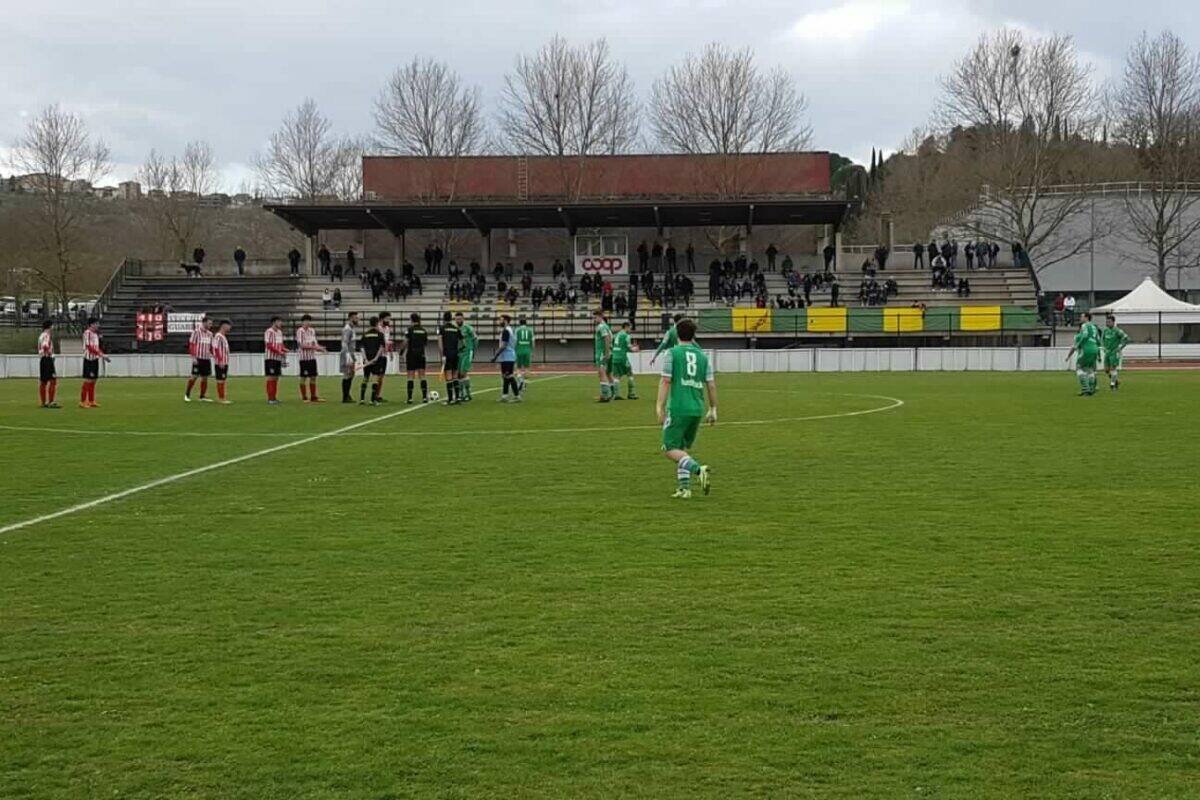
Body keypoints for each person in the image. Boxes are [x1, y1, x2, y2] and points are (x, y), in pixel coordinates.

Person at [656, 319, 715, 499]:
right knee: (681, 448)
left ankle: (699, 470)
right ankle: (684, 488)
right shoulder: (703, 356)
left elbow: (666, 380)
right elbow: (711, 384)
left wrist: (659, 406)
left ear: (676, 333)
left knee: (669, 448)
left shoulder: (672, 353)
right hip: (697, 408)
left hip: (679, 407)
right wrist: (713, 409)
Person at [1065, 313, 1102, 396]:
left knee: (1079, 368)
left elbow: (1085, 336)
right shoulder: (1094, 327)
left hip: (1086, 348)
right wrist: (1098, 352)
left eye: (1081, 316)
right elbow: (1098, 340)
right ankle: (1092, 389)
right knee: (1090, 369)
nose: (1080, 318)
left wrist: (1079, 344)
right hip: (1095, 348)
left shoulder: (1084, 326)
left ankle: (1085, 389)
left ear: (1086, 317)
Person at [295, 314, 327, 402]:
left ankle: (313, 397)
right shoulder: (300, 331)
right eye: (306, 321)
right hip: (304, 358)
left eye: (309, 321)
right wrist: (315, 348)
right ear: (303, 322)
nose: (308, 323)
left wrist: (321, 349)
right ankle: (304, 397)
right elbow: (301, 345)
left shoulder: (312, 331)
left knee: (313, 377)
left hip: (312, 357)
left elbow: (314, 343)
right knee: (303, 377)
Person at [80, 317, 110, 408]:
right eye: (97, 324)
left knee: (94, 380)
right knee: (88, 380)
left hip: (95, 359)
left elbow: (96, 347)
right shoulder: (87, 333)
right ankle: (82, 401)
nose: (98, 325)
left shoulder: (95, 335)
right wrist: (102, 355)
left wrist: (102, 355)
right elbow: (89, 347)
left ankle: (91, 400)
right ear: (92, 324)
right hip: (89, 359)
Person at [401, 312, 430, 404]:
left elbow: (405, 342)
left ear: (411, 320)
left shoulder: (409, 330)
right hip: (421, 354)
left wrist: (401, 352)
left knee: (410, 376)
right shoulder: (424, 330)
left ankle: (410, 398)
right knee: (422, 376)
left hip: (411, 354)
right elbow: (425, 343)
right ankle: (425, 397)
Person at [184, 314, 213, 402]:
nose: (211, 325)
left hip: (206, 358)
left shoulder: (210, 334)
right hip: (198, 358)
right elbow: (192, 345)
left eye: (211, 324)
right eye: (209, 323)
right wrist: (193, 357)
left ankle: (202, 396)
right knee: (194, 376)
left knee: (205, 377)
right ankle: (187, 394)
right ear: (204, 323)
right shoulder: (196, 332)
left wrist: (212, 354)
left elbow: (211, 346)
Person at [492, 314, 520, 402]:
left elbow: (504, 345)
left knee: (509, 376)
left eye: (501, 320)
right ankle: (504, 396)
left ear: (506, 321)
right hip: (506, 356)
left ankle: (517, 396)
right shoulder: (508, 330)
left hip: (508, 356)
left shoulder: (506, 331)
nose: (499, 322)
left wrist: (495, 355)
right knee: (505, 376)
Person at [358, 316, 386, 405]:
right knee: (375, 378)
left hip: (367, 359)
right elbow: (381, 348)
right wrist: (376, 358)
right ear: (377, 323)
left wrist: (365, 359)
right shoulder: (380, 334)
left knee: (365, 377)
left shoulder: (365, 334)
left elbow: (362, 348)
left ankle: (362, 399)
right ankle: (372, 400)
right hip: (376, 359)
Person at [438, 311, 462, 405]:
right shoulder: (456, 329)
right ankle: (458, 398)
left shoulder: (442, 328)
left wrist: (442, 355)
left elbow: (440, 344)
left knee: (448, 376)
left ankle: (450, 399)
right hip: (455, 353)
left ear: (444, 319)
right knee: (455, 376)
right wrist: (458, 351)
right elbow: (463, 342)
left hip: (447, 353)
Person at [1101, 314, 1130, 391]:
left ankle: (1112, 385)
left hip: (1114, 352)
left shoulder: (1117, 331)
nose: (1107, 323)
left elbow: (1127, 339)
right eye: (1107, 322)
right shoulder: (1105, 330)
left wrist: (1120, 347)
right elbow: (1102, 339)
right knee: (1106, 370)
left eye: (1109, 322)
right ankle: (1116, 381)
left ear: (1113, 322)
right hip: (1107, 352)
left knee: (1113, 369)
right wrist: (1103, 347)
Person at [263, 316, 288, 405]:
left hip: (277, 358)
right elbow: (269, 345)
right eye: (279, 322)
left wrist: (284, 350)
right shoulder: (269, 332)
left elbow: (280, 345)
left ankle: (274, 397)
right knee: (271, 377)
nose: (281, 323)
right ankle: (270, 398)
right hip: (270, 358)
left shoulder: (280, 332)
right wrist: (279, 352)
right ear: (274, 322)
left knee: (276, 378)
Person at [610, 321, 638, 400]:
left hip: (615, 357)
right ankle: (631, 394)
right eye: (630, 328)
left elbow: (612, 345)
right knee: (630, 374)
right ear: (626, 327)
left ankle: (617, 395)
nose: (630, 330)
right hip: (622, 358)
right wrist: (635, 349)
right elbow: (629, 348)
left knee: (616, 376)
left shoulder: (617, 335)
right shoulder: (626, 336)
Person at [455, 311, 477, 402]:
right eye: (456, 319)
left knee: (464, 372)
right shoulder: (455, 329)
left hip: (467, 352)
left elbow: (475, 338)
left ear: (463, 319)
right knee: (459, 374)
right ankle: (462, 393)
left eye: (460, 319)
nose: (458, 320)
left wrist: (473, 350)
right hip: (458, 353)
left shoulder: (468, 328)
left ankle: (468, 394)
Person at [593, 308, 614, 402]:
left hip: (601, 353)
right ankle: (609, 394)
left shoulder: (601, 326)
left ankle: (605, 396)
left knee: (602, 373)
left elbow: (606, 338)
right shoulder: (606, 326)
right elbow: (610, 337)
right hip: (604, 352)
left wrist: (606, 352)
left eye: (595, 317)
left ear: (600, 316)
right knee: (606, 373)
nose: (594, 319)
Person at [37, 320, 59, 408]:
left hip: (42, 360)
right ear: (50, 326)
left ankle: (43, 402)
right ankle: (51, 401)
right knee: (53, 380)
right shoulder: (46, 335)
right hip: (47, 359)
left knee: (43, 381)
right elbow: (45, 346)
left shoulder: (41, 335)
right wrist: (50, 354)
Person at [338, 312, 359, 403]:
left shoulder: (352, 329)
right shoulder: (347, 329)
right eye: (356, 318)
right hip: (347, 354)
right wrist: (348, 355)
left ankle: (347, 395)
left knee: (351, 374)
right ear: (351, 318)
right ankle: (345, 396)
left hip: (351, 353)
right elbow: (344, 343)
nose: (357, 320)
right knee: (347, 374)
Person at [210, 319, 232, 404]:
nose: (230, 327)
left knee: (223, 379)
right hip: (221, 362)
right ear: (223, 326)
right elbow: (215, 348)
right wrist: (220, 360)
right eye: (229, 325)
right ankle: (221, 398)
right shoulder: (218, 336)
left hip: (224, 361)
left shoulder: (223, 336)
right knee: (220, 380)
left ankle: (223, 397)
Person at [378, 311, 394, 402]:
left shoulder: (387, 328)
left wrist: (391, 352)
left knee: (382, 376)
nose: (389, 320)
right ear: (382, 319)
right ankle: (374, 395)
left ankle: (378, 394)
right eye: (387, 319)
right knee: (378, 376)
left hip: (384, 354)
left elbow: (388, 341)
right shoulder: (378, 328)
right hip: (378, 354)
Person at [514, 316, 534, 391]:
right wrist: (532, 350)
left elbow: (515, 341)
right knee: (527, 368)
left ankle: (520, 380)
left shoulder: (517, 330)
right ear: (526, 323)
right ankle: (525, 385)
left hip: (519, 349)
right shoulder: (530, 330)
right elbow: (533, 341)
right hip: (527, 350)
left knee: (518, 368)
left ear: (519, 323)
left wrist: (515, 349)